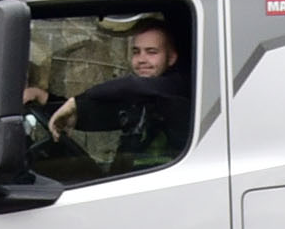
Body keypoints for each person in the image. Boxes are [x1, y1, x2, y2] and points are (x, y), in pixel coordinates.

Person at [49, 16, 188, 160]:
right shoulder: (139, 100)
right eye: (136, 52)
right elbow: (100, 116)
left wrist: (75, 102)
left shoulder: (176, 87)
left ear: (171, 58)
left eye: (152, 52)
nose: (141, 59)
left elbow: (132, 85)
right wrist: (47, 99)